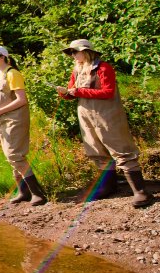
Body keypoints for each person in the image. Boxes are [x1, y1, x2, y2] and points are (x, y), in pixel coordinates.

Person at [56, 39, 153, 208]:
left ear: (85, 51)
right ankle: (108, 186)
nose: (72, 55)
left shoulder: (103, 67)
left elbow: (108, 92)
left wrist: (78, 91)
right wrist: (65, 94)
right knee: (97, 151)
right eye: (70, 52)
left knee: (122, 150)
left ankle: (140, 192)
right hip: (86, 116)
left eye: (74, 52)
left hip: (108, 116)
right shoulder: (77, 70)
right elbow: (73, 92)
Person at [0, 46, 47, 206]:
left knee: (15, 155)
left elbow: (21, 100)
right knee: (10, 156)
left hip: (16, 120)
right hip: (2, 120)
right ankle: (23, 192)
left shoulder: (13, 74)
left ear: (2, 57)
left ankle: (38, 194)